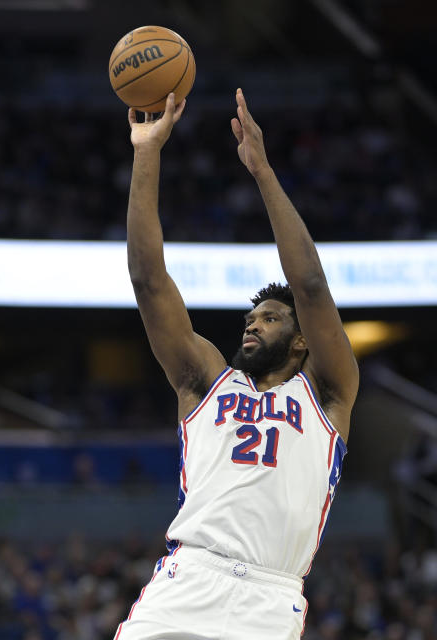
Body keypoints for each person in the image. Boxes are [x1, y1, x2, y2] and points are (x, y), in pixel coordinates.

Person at [114, 90, 359, 640]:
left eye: (270, 318)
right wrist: (147, 152)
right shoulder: (204, 380)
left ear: (301, 343)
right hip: (188, 578)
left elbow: (312, 287)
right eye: (251, 317)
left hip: (270, 599)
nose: (252, 324)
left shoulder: (327, 393)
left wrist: (263, 172)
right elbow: (148, 279)